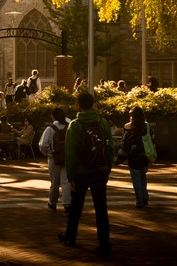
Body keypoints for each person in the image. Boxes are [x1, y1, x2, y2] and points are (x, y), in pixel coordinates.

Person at [59, 90, 114, 255]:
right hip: (100, 171)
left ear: (79, 105)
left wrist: (70, 176)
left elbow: (70, 153)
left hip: (80, 172)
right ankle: (104, 243)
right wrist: (107, 169)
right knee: (101, 209)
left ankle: (70, 237)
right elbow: (110, 148)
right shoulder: (103, 123)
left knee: (76, 207)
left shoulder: (74, 125)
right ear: (93, 104)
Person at [39, 107, 72, 212]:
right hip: (67, 158)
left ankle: (52, 203)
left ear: (53, 116)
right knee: (65, 182)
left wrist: (49, 154)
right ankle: (67, 205)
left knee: (55, 182)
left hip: (54, 158)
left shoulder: (50, 129)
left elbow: (43, 144)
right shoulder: (69, 126)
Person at [119, 105, 151, 208]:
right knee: (143, 176)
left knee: (136, 178)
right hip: (144, 155)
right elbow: (151, 140)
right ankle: (144, 196)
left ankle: (139, 200)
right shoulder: (146, 126)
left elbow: (124, 143)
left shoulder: (127, 127)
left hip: (133, 156)